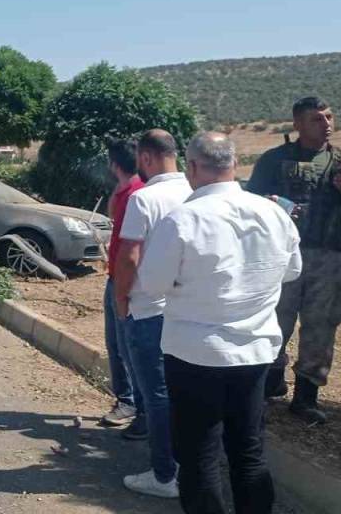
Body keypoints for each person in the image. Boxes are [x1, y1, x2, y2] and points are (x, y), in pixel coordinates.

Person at [137, 132, 301, 514]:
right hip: (255, 351)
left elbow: (153, 283)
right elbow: (292, 270)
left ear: (192, 167)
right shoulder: (274, 213)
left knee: (199, 456)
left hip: (195, 353)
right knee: (249, 450)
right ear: (234, 165)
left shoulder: (182, 219)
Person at [246, 97, 341, 423]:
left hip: (330, 258)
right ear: (298, 124)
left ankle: (306, 397)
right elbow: (248, 204)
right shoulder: (273, 160)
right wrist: (273, 202)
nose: (327, 123)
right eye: (317, 119)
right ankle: (268, 384)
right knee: (274, 322)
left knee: (321, 328)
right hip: (282, 255)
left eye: (329, 116)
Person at [113, 129, 193, 499]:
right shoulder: (196, 193)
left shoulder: (144, 199)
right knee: (183, 391)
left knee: (157, 394)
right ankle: (189, 464)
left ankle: (165, 475)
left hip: (148, 309)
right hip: (187, 310)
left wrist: (122, 299)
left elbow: (128, 257)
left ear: (145, 158)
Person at [99, 139, 145, 428]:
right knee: (120, 343)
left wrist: (121, 292)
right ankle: (130, 401)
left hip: (122, 278)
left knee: (121, 345)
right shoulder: (131, 190)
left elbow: (129, 247)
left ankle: (130, 403)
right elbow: (113, 217)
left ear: (114, 165)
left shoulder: (136, 194)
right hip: (117, 274)